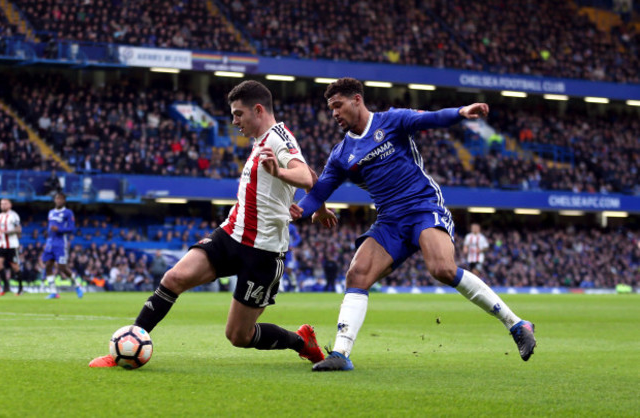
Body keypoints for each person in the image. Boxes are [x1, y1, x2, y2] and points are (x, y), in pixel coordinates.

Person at [290, 77, 536, 371]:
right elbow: (319, 192)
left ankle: (517, 324)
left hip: (422, 205)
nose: (334, 114)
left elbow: (432, 119)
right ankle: (341, 354)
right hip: (390, 220)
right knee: (357, 274)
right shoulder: (341, 154)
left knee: (441, 268)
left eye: (338, 106)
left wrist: (460, 112)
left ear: (357, 100)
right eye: (331, 109)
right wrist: (299, 211)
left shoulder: (392, 121)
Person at [89, 80, 326, 368]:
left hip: (262, 251)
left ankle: (301, 341)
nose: (234, 120)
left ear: (258, 110)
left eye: (238, 114)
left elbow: (304, 175)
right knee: (173, 278)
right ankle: (123, 351)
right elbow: (310, 174)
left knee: (238, 335)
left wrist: (281, 173)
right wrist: (318, 206)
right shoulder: (262, 141)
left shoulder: (278, 138)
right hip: (231, 234)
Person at [41, 192, 83, 299]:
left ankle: (77, 285)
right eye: (57, 199)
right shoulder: (51, 212)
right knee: (48, 266)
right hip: (50, 242)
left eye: (60, 199)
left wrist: (59, 229)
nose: (58, 200)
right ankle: (54, 292)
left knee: (62, 267)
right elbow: (50, 227)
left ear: (64, 201)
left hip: (60, 243)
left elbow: (71, 228)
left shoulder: (68, 213)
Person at [0, 199, 23, 300]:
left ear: (10, 205)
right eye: (1, 204)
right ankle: (6, 286)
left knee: (15, 267)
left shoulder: (14, 215)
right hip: (2, 245)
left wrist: (6, 232)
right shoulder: (0, 216)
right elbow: (0, 230)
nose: (3, 205)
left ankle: (20, 287)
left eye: (5, 203)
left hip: (12, 246)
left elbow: (19, 229)